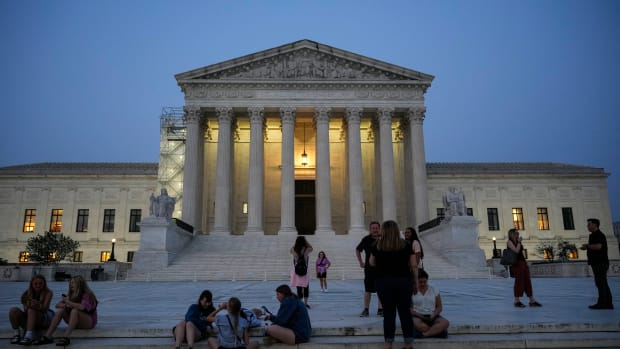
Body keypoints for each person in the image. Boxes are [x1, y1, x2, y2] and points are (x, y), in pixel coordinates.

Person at [369, 220, 417, 349]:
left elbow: (371, 263)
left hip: (384, 283)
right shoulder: (406, 245)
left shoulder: (377, 245)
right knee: (405, 313)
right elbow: (414, 265)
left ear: (383, 231)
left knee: (389, 313)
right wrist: (416, 283)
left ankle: (388, 343)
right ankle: (408, 343)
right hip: (403, 282)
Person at [36, 275, 98, 346]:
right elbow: (57, 305)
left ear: (79, 284)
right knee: (60, 311)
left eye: (73, 283)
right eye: (70, 283)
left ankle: (66, 336)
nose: (70, 285)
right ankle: (47, 336)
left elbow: (82, 307)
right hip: (75, 321)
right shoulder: (71, 295)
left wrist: (69, 303)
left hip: (88, 322)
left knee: (75, 311)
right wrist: (66, 305)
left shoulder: (87, 294)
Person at [8, 275, 54, 345]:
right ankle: (16, 334)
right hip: (29, 318)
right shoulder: (26, 294)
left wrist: (37, 305)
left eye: (40, 283)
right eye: (35, 284)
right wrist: (28, 305)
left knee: (31, 310)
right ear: (31, 284)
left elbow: (44, 309)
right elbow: (26, 310)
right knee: (13, 310)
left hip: (43, 319)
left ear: (44, 284)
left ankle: (28, 336)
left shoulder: (48, 292)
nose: (38, 285)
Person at [580, 218, 614, 309]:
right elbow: (595, 247)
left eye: (589, 225)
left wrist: (587, 246)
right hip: (597, 262)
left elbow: (599, 246)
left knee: (601, 283)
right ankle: (607, 303)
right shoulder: (593, 235)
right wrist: (587, 247)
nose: (587, 226)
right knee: (602, 283)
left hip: (600, 262)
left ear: (595, 225)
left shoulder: (598, 234)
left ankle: (603, 303)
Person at [507, 228, 542, 308]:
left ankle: (532, 300)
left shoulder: (517, 241)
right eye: (516, 233)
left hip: (523, 262)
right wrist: (519, 242)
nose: (518, 234)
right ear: (512, 234)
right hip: (517, 264)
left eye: (518, 233)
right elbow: (516, 251)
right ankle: (516, 301)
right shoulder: (509, 242)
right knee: (519, 281)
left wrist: (519, 242)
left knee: (527, 281)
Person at [355, 221, 383, 317]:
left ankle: (380, 309)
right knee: (368, 289)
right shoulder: (366, 239)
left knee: (381, 289)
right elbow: (358, 250)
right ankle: (366, 309)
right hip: (369, 268)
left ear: (379, 229)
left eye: (376, 228)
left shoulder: (384, 239)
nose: (375, 230)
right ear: (370, 229)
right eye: (373, 228)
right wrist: (361, 262)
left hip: (381, 268)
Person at [411, 269, 449, 339]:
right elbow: (409, 309)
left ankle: (424, 335)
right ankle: (438, 332)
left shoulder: (434, 289)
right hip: (418, 315)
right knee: (416, 323)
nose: (422, 284)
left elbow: (439, 307)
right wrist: (421, 316)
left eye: (424, 282)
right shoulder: (411, 291)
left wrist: (433, 315)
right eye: (420, 282)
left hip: (432, 315)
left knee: (445, 322)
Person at [290, 236, 313, 308]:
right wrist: (305, 241)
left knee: (298, 287)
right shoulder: (306, 249)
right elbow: (311, 247)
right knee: (306, 287)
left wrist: (296, 243)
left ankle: (300, 303)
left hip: (296, 270)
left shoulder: (293, 249)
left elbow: (291, 250)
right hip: (304, 269)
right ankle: (305, 303)